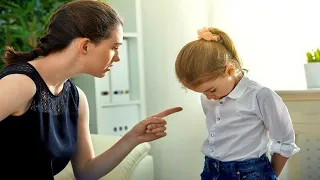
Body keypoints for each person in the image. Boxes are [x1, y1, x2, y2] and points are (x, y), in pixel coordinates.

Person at [0, 0, 182, 179]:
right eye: (114, 47)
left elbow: (86, 172)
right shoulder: (21, 83)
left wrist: (132, 138)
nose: (117, 58)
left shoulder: (76, 98)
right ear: (85, 46)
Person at [175, 27, 300, 180]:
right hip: (211, 170)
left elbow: (284, 141)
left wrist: (269, 175)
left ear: (229, 70)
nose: (208, 97)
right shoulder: (209, 98)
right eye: (203, 92)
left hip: (250, 172)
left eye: (211, 90)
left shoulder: (260, 95)